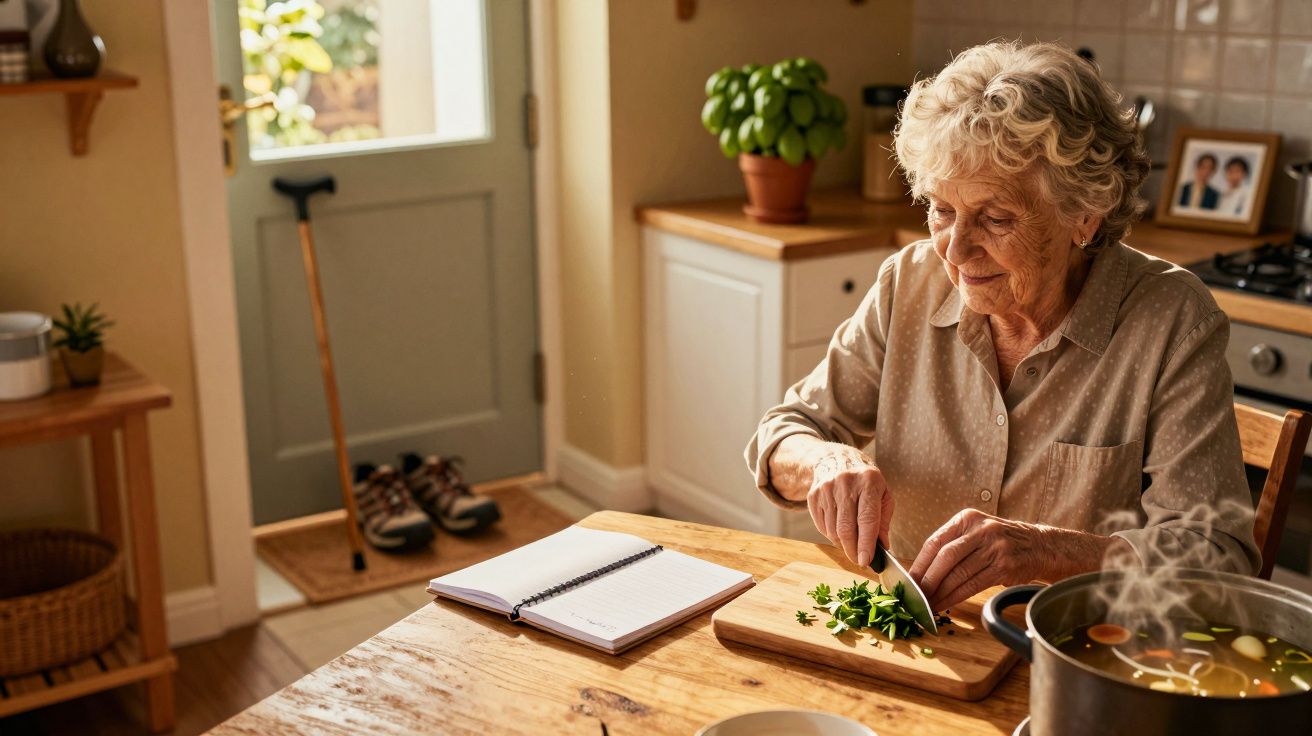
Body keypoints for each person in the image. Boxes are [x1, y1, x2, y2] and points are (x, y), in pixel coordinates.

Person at [744, 41, 1259, 612]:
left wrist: (1048, 552)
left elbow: (1218, 557)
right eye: (941, 209)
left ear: (1084, 215)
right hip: (926, 638)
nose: (957, 250)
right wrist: (824, 462)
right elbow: (784, 433)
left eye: (995, 218)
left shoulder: (1170, 320)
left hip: (1076, 649)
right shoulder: (908, 283)